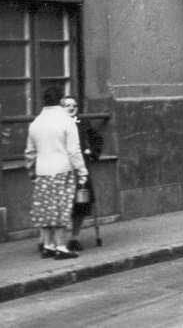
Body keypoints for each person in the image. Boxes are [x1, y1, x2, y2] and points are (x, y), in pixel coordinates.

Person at [25, 86, 88, 260]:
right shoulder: (67, 121)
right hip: (63, 169)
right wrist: (82, 171)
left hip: (42, 170)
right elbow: (74, 151)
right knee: (60, 209)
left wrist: (32, 171)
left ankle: (48, 245)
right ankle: (61, 246)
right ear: (61, 100)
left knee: (46, 209)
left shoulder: (36, 122)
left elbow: (30, 153)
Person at [62, 96, 103, 252]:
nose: (72, 108)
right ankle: (50, 240)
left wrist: (92, 153)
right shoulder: (58, 123)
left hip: (81, 172)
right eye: (68, 105)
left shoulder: (82, 122)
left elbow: (96, 138)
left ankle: (75, 238)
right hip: (63, 170)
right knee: (61, 205)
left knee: (82, 203)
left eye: (74, 105)